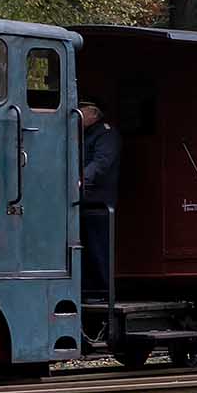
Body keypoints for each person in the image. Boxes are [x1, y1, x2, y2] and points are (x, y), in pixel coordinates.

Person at [77, 98, 122, 309]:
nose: (78, 113)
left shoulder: (106, 134)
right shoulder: (82, 134)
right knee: (84, 248)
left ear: (94, 113)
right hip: (80, 201)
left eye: (82, 110)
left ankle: (102, 290)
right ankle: (85, 288)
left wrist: (80, 179)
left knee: (98, 247)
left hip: (98, 201)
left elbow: (101, 163)